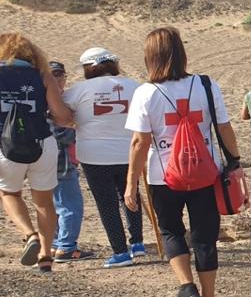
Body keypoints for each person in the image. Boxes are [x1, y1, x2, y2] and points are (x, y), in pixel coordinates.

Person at [125, 27, 241, 297]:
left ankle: (186, 285)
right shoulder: (205, 85)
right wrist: (235, 161)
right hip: (205, 173)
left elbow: (140, 142)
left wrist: (130, 184)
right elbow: (224, 127)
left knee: (171, 230)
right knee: (205, 236)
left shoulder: (146, 92)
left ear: (150, 56)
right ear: (181, 52)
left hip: (163, 176)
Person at [63, 47, 146, 267]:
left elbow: (60, 111)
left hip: (95, 156)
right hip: (128, 151)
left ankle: (120, 252)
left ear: (88, 68)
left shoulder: (79, 90)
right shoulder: (134, 86)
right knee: (131, 195)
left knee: (107, 204)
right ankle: (137, 243)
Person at [0, 35, 73, 272]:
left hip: (6, 146)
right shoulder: (42, 76)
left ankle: (30, 234)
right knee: (44, 202)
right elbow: (62, 115)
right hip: (42, 143)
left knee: (10, 193)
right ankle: (45, 254)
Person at [48, 61, 94, 263]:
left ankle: (57, 243)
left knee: (56, 205)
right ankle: (66, 247)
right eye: (54, 76)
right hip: (61, 162)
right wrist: (74, 126)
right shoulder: (53, 103)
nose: (59, 80)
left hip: (46, 163)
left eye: (61, 75)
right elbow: (60, 136)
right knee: (70, 206)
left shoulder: (45, 100)